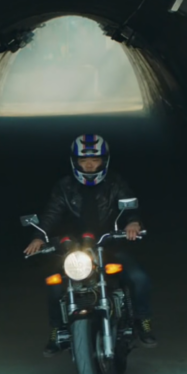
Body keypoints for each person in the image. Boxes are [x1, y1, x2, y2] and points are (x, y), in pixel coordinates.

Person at [24, 134, 157, 356]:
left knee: (139, 278)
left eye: (95, 159)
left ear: (104, 160)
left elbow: (129, 205)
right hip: (73, 248)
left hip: (109, 243)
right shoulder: (64, 187)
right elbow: (51, 214)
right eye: (83, 159)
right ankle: (57, 329)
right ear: (74, 161)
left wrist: (132, 222)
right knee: (55, 283)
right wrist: (39, 236)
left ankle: (143, 321)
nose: (89, 164)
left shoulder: (115, 183)